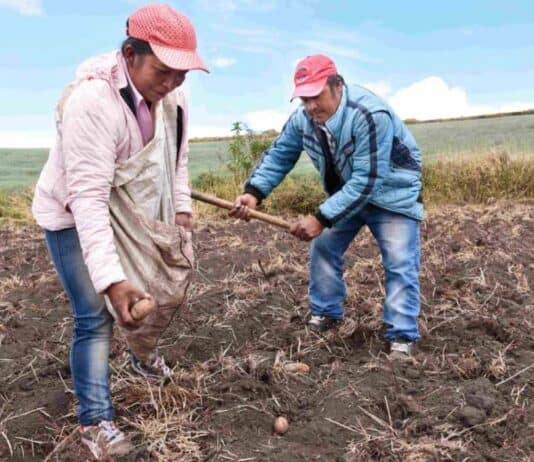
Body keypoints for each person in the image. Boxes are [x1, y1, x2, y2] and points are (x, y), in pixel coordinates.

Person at [32, 4, 208, 459]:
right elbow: (87, 199)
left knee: (150, 287)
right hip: (74, 214)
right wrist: (111, 280)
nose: (171, 83)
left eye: (181, 75)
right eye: (162, 71)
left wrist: (182, 209)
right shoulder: (93, 102)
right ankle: (96, 422)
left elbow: (177, 158)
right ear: (130, 55)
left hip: (129, 210)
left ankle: (142, 356)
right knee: (95, 313)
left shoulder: (174, 99)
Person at [231, 54, 423, 359]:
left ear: (336, 85)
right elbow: (280, 155)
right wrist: (254, 193)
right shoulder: (302, 119)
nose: (310, 106)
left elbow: (369, 179)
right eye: (303, 98)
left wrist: (321, 217)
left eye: (315, 96)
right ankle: (326, 314)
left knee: (400, 261)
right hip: (347, 194)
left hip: (391, 194)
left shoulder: (370, 114)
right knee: (323, 247)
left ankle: (401, 335)